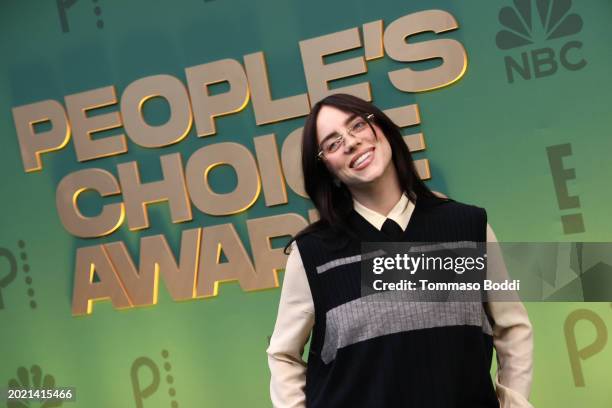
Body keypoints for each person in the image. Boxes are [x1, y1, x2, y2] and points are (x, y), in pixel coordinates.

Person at [266, 93, 533, 407]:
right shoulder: (314, 253)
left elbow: (512, 327)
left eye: (357, 126)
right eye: (333, 143)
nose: (350, 142)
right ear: (327, 167)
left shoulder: (466, 226)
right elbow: (283, 355)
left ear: (381, 128)